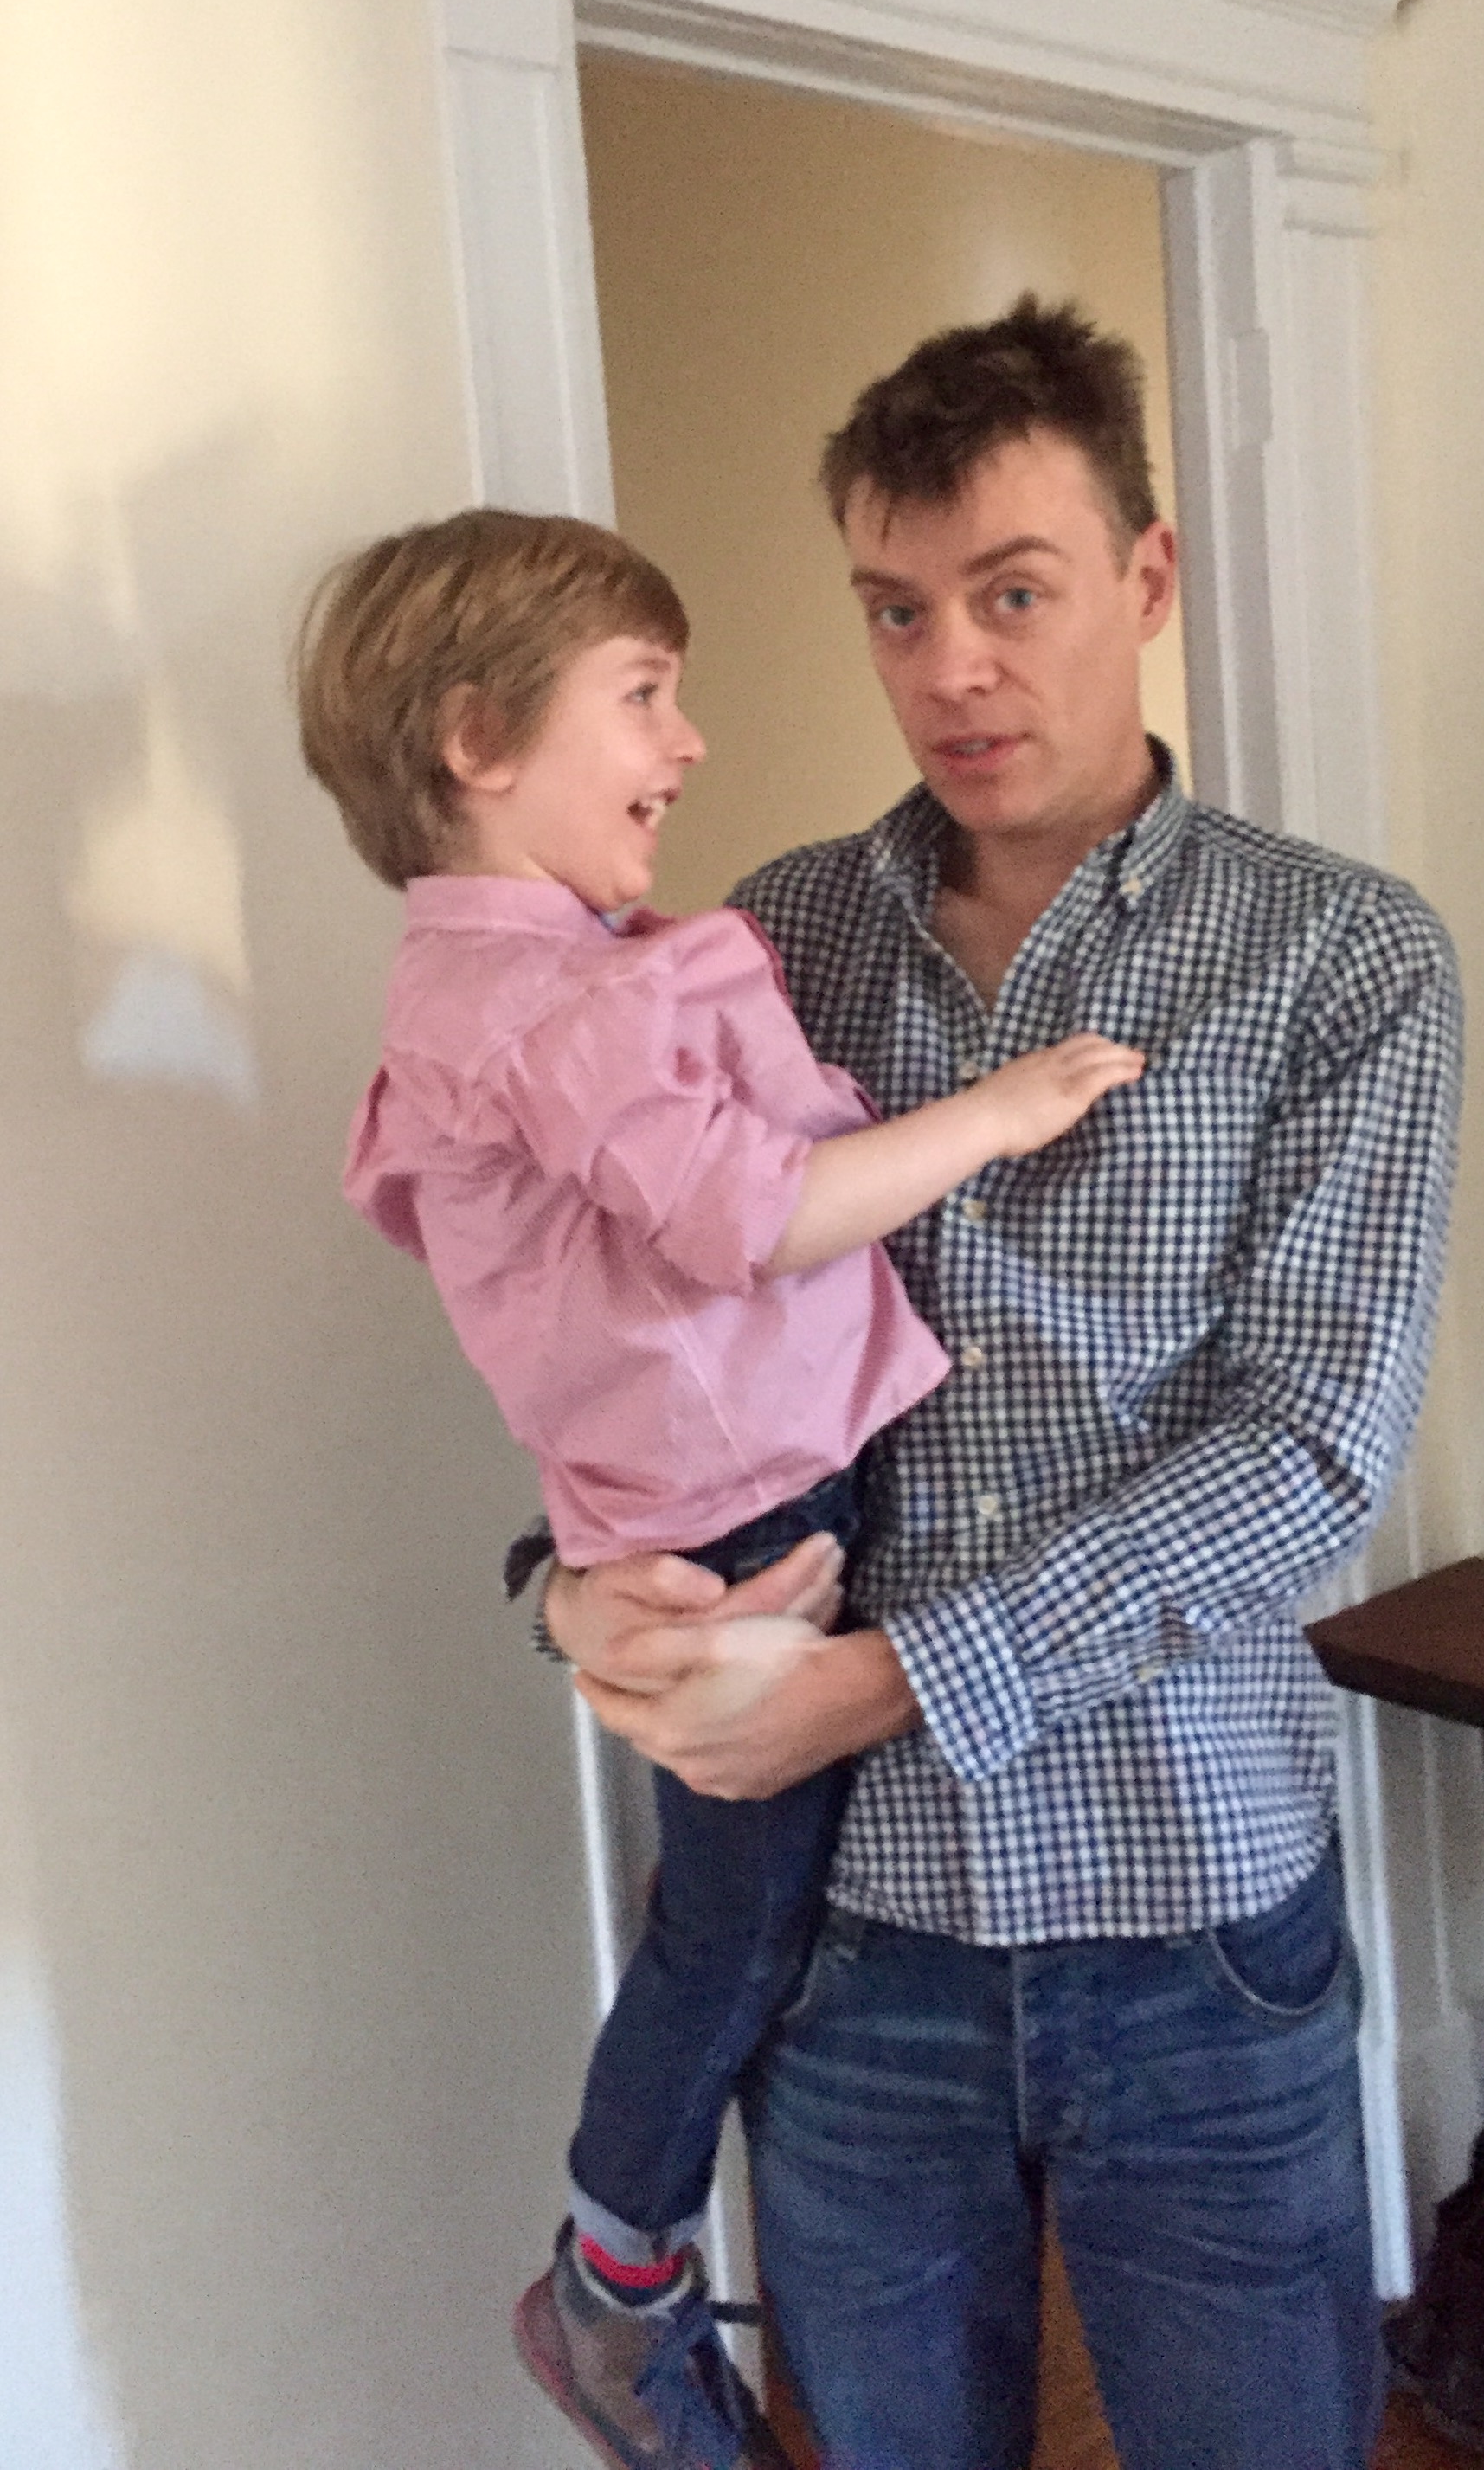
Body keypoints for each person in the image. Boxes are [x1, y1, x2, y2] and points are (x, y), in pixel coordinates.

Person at [542, 297, 1465, 2470]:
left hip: (1194, 1916)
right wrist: (572, 1587)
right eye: (897, 608)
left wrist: (884, 1680)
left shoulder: (1342, 955)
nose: (952, 664)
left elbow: (1308, 1452)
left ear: (1147, 578)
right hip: (850, 1944)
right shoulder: (765, 943)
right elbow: (636, 1335)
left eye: (1014, 594)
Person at [293, 506, 1144, 2470]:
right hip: (738, 1517)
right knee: (740, 1935)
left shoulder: (517, 986)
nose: (684, 743)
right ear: (477, 740)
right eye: (643, 697)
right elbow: (752, 1218)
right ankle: (614, 2281)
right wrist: (1005, 1110)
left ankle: (629, 2264)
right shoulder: (549, 1005)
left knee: (744, 1918)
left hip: (704, 1504)